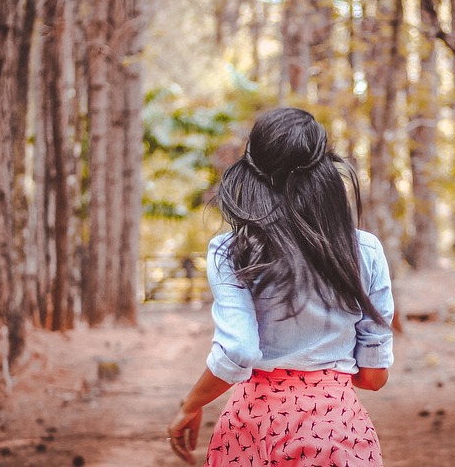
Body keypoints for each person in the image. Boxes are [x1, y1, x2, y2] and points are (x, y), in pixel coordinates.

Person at [168, 107, 394, 466]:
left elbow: (238, 351)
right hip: (337, 432)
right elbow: (373, 377)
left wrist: (191, 405)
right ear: (325, 171)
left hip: (252, 432)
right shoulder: (364, 251)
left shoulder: (232, 250)